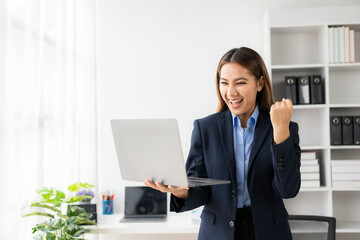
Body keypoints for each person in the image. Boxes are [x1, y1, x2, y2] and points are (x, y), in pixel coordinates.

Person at [145, 47, 301, 240]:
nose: (231, 92)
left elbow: (287, 189)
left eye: (240, 82)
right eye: (224, 83)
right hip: (218, 233)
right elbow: (199, 188)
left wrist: (280, 132)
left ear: (260, 83)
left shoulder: (284, 127)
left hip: (269, 232)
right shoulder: (205, 128)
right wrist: (180, 193)